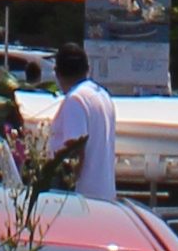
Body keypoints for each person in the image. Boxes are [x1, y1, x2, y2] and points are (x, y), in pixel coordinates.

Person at [35, 37, 117, 202]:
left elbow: (73, 155)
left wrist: (56, 193)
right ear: (87, 69)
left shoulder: (75, 100)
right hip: (105, 194)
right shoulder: (102, 95)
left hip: (82, 199)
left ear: (57, 73)